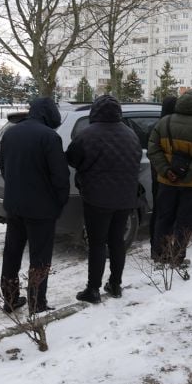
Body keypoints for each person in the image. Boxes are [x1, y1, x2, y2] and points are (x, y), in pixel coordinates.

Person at [67, 95, 142, 303]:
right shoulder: (131, 134)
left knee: (98, 243)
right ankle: (116, 284)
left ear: (95, 112)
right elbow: (136, 160)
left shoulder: (87, 135)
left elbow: (72, 158)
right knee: (117, 241)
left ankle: (93, 289)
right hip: (125, 198)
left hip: (96, 198)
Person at [0, 97, 70, 314]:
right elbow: (60, 176)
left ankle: (10, 299)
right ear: (50, 115)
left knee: (12, 252)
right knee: (39, 257)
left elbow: (3, 166)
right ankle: (37, 303)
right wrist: (59, 202)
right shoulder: (50, 137)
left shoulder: (11, 133)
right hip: (41, 210)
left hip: (14, 205)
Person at [147, 90, 192, 267]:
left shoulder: (164, 122)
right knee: (185, 220)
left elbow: (153, 149)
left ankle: (160, 255)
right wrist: (188, 175)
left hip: (166, 182)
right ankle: (177, 257)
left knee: (164, 217)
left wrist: (166, 171)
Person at [149, 96, 176, 251]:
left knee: (157, 211)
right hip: (169, 175)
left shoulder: (155, 125)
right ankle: (162, 248)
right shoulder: (172, 126)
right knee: (167, 213)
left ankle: (155, 243)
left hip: (156, 174)